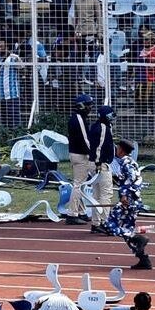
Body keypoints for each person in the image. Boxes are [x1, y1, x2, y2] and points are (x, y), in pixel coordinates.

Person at [106, 139, 151, 269]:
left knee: (110, 224)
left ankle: (138, 239)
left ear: (121, 149)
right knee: (126, 227)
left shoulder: (126, 163)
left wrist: (124, 195)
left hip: (128, 200)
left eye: (117, 148)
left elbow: (130, 179)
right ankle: (143, 259)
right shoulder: (130, 162)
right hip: (132, 200)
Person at [65, 93, 93, 225]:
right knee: (78, 185)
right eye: (88, 105)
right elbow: (85, 139)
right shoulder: (78, 119)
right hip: (80, 155)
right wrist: (93, 153)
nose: (90, 107)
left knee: (80, 185)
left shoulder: (76, 118)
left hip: (76, 154)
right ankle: (72, 214)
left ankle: (81, 212)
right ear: (81, 106)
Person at [89, 105, 116, 233]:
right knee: (106, 194)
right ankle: (106, 222)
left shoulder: (97, 126)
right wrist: (98, 163)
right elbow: (98, 147)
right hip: (100, 164)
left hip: (95, 163)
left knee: (97, 195)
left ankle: (96, 223)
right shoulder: (103, 128)